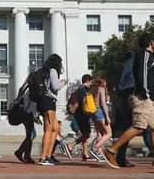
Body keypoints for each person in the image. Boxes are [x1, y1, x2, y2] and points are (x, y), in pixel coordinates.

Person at [103, 33, 154, 169]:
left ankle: (119, 156)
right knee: (138, 126)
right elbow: (142, 75)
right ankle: (111, 150)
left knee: (150, 127)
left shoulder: (132, 60)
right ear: (151, 43)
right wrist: (144, 92)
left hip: (131, 96)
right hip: (141, 96)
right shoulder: (144, 55)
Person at [37, 54, 68, 166]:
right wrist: (63, 82)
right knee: (48, 130)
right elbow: (55, 87)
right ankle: (43, 158)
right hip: (48, 101)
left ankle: (49, 156)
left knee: (55, 128)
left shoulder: (44, 72)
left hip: (45, 102)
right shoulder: (53, 71)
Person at [65, 74, 94, 161]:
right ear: (87, 81)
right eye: (91, 82)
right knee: (87, 133)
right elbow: (83, 102)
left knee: (85, 133)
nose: (91, 84)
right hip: (82, 114)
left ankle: (85, 154)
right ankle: (71, 145)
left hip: (79, 114)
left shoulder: (80, 89)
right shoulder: (83, 89)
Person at [88, 77, 112, 160]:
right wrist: (107, 116)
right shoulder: (101, 89)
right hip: (100, 111)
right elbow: (102, 103)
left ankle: (99, 153)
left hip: (93, 112)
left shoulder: (92, 89)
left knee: (99, 134)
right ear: (103, 82)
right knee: (109, 133)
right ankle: (95, 148)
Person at [14, 80, 38, 164]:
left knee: (32, 135)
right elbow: (32, 104)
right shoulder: (30, 92)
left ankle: (25, 154)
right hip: (27, 115)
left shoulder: (24, 90)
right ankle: (22, 153)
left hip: (27, 114)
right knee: (30, 135)